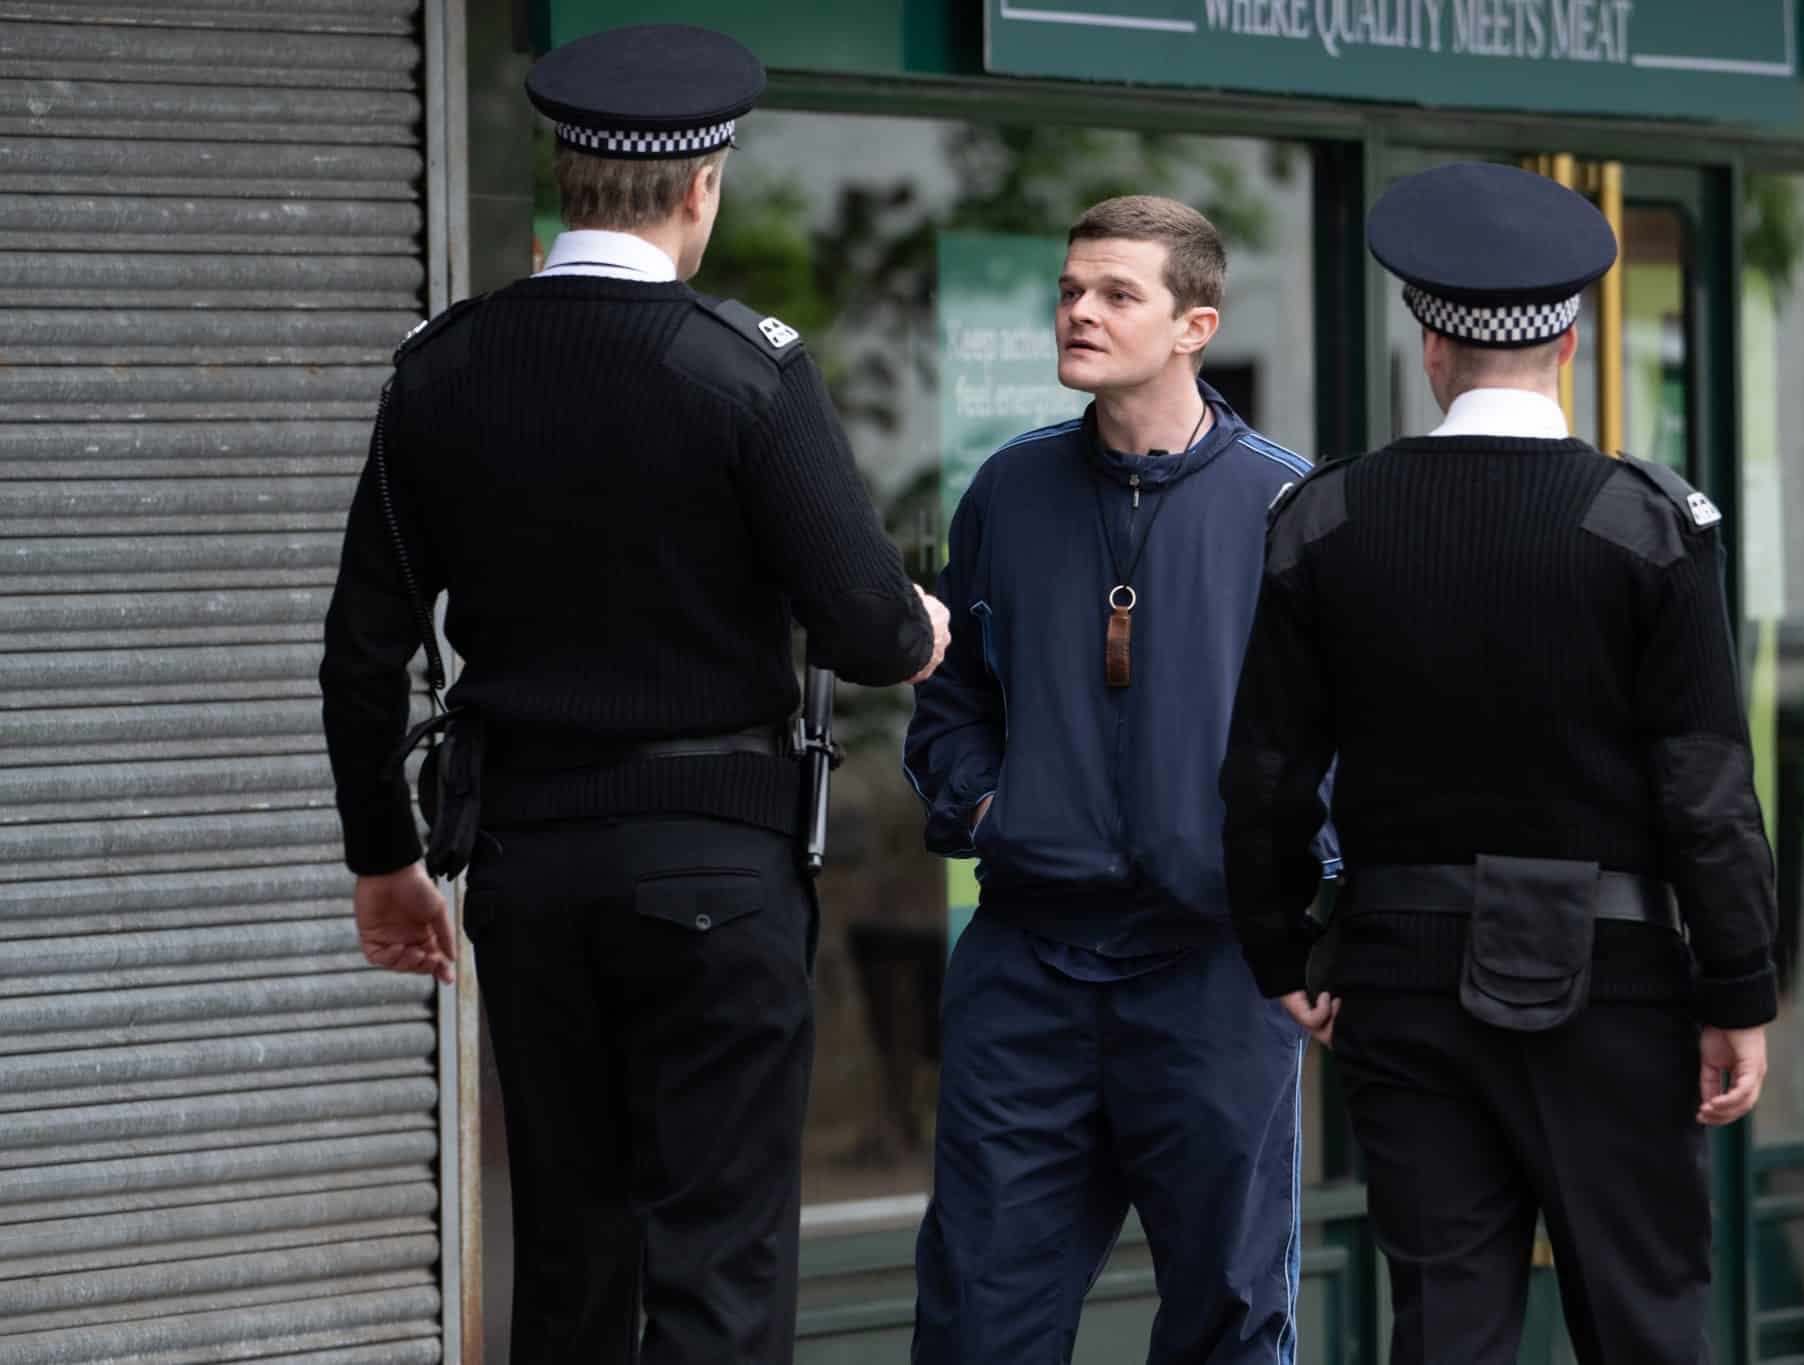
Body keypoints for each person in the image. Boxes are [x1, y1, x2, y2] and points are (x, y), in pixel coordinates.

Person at [318, 24, 949, 1365]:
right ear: (700, 188)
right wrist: (919, 623)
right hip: (716, 872)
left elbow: (363, 649)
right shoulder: (745, 371)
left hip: (529, 873)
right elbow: (864, 622)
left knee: (568, 1267)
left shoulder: (441, 368)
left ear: (565, 176)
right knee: (718, 1277)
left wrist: (385, 863)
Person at [1220, 161, 1778, 1365]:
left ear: (1429, 344)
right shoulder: (1646, 525)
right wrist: (1737, 986)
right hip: (1617, 986)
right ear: (1569, 341)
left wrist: (1284, 946)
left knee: (1445, 1329)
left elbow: (1264, 766)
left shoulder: (1324, 520)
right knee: (1642, 1326)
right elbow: (1704, 789)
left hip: (1402, 979)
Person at [904, 195, 1339, 1364]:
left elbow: (1339, 741)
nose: (1077, 312)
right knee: (976, 1322)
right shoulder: (1008, 490)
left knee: (1227, 1322)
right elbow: (951, 698)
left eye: (1113, 294)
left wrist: (1307, 910)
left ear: (1194, 324)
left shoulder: (1286, 506)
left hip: (1213, 981)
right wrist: (988, 804)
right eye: (1067, 290)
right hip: (1026, 975)